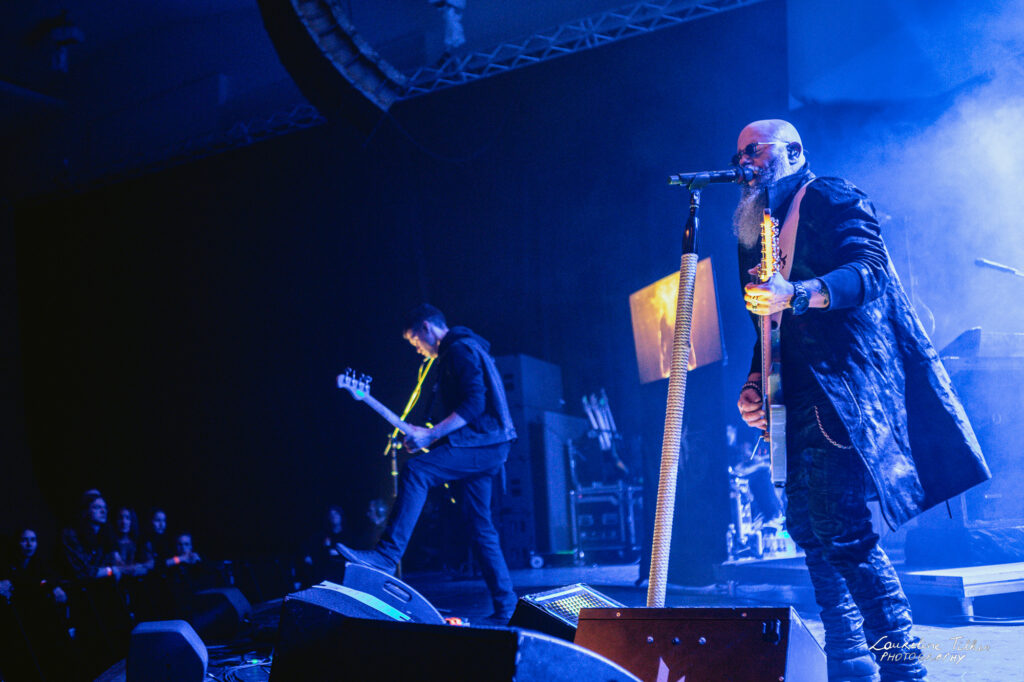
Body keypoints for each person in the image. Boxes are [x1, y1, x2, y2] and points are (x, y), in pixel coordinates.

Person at [731, 119, 989, 681]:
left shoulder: (828, 195)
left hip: (840, 391)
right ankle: (848, 662)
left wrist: (797, 292)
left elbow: (871, 272)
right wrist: (756, 382)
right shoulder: (758, 227)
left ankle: (902, 666)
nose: (744, 161)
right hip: (792, 398)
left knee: (842, 530)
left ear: (793, 151)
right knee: (809, 530)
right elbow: (767, 324)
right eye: (739, 154)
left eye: (756, 150)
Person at [337, 304, 519, 624]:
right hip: (486, 445)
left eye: (414, 341)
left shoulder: (459, 349)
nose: (417, 349)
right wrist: (428, 437)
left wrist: (431, 435)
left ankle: (386, 556)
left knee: (416, 471)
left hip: (482, 443)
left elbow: (475, 405)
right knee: (480, 526)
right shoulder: (463, 349)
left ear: (426, 328)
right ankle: (507, 607)